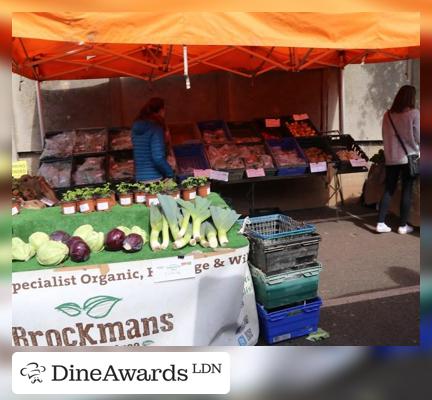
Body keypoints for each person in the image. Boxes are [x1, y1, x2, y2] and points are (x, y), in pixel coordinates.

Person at [376, 85, 420, 234]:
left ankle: (380, 222)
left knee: (389, 189)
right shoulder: (414, 114)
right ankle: (402, 226)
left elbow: (384, 135)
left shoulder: (387, 115)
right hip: (408, 157)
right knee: (406, 191)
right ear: (411, 98)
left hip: (391, 157)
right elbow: (419, 137)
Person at [131, 97, 174, 182]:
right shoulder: (156, 128)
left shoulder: (135, 127)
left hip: (140, 178)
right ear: (161, 110)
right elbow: (158, 158)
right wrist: (170, 173)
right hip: (154, 178)